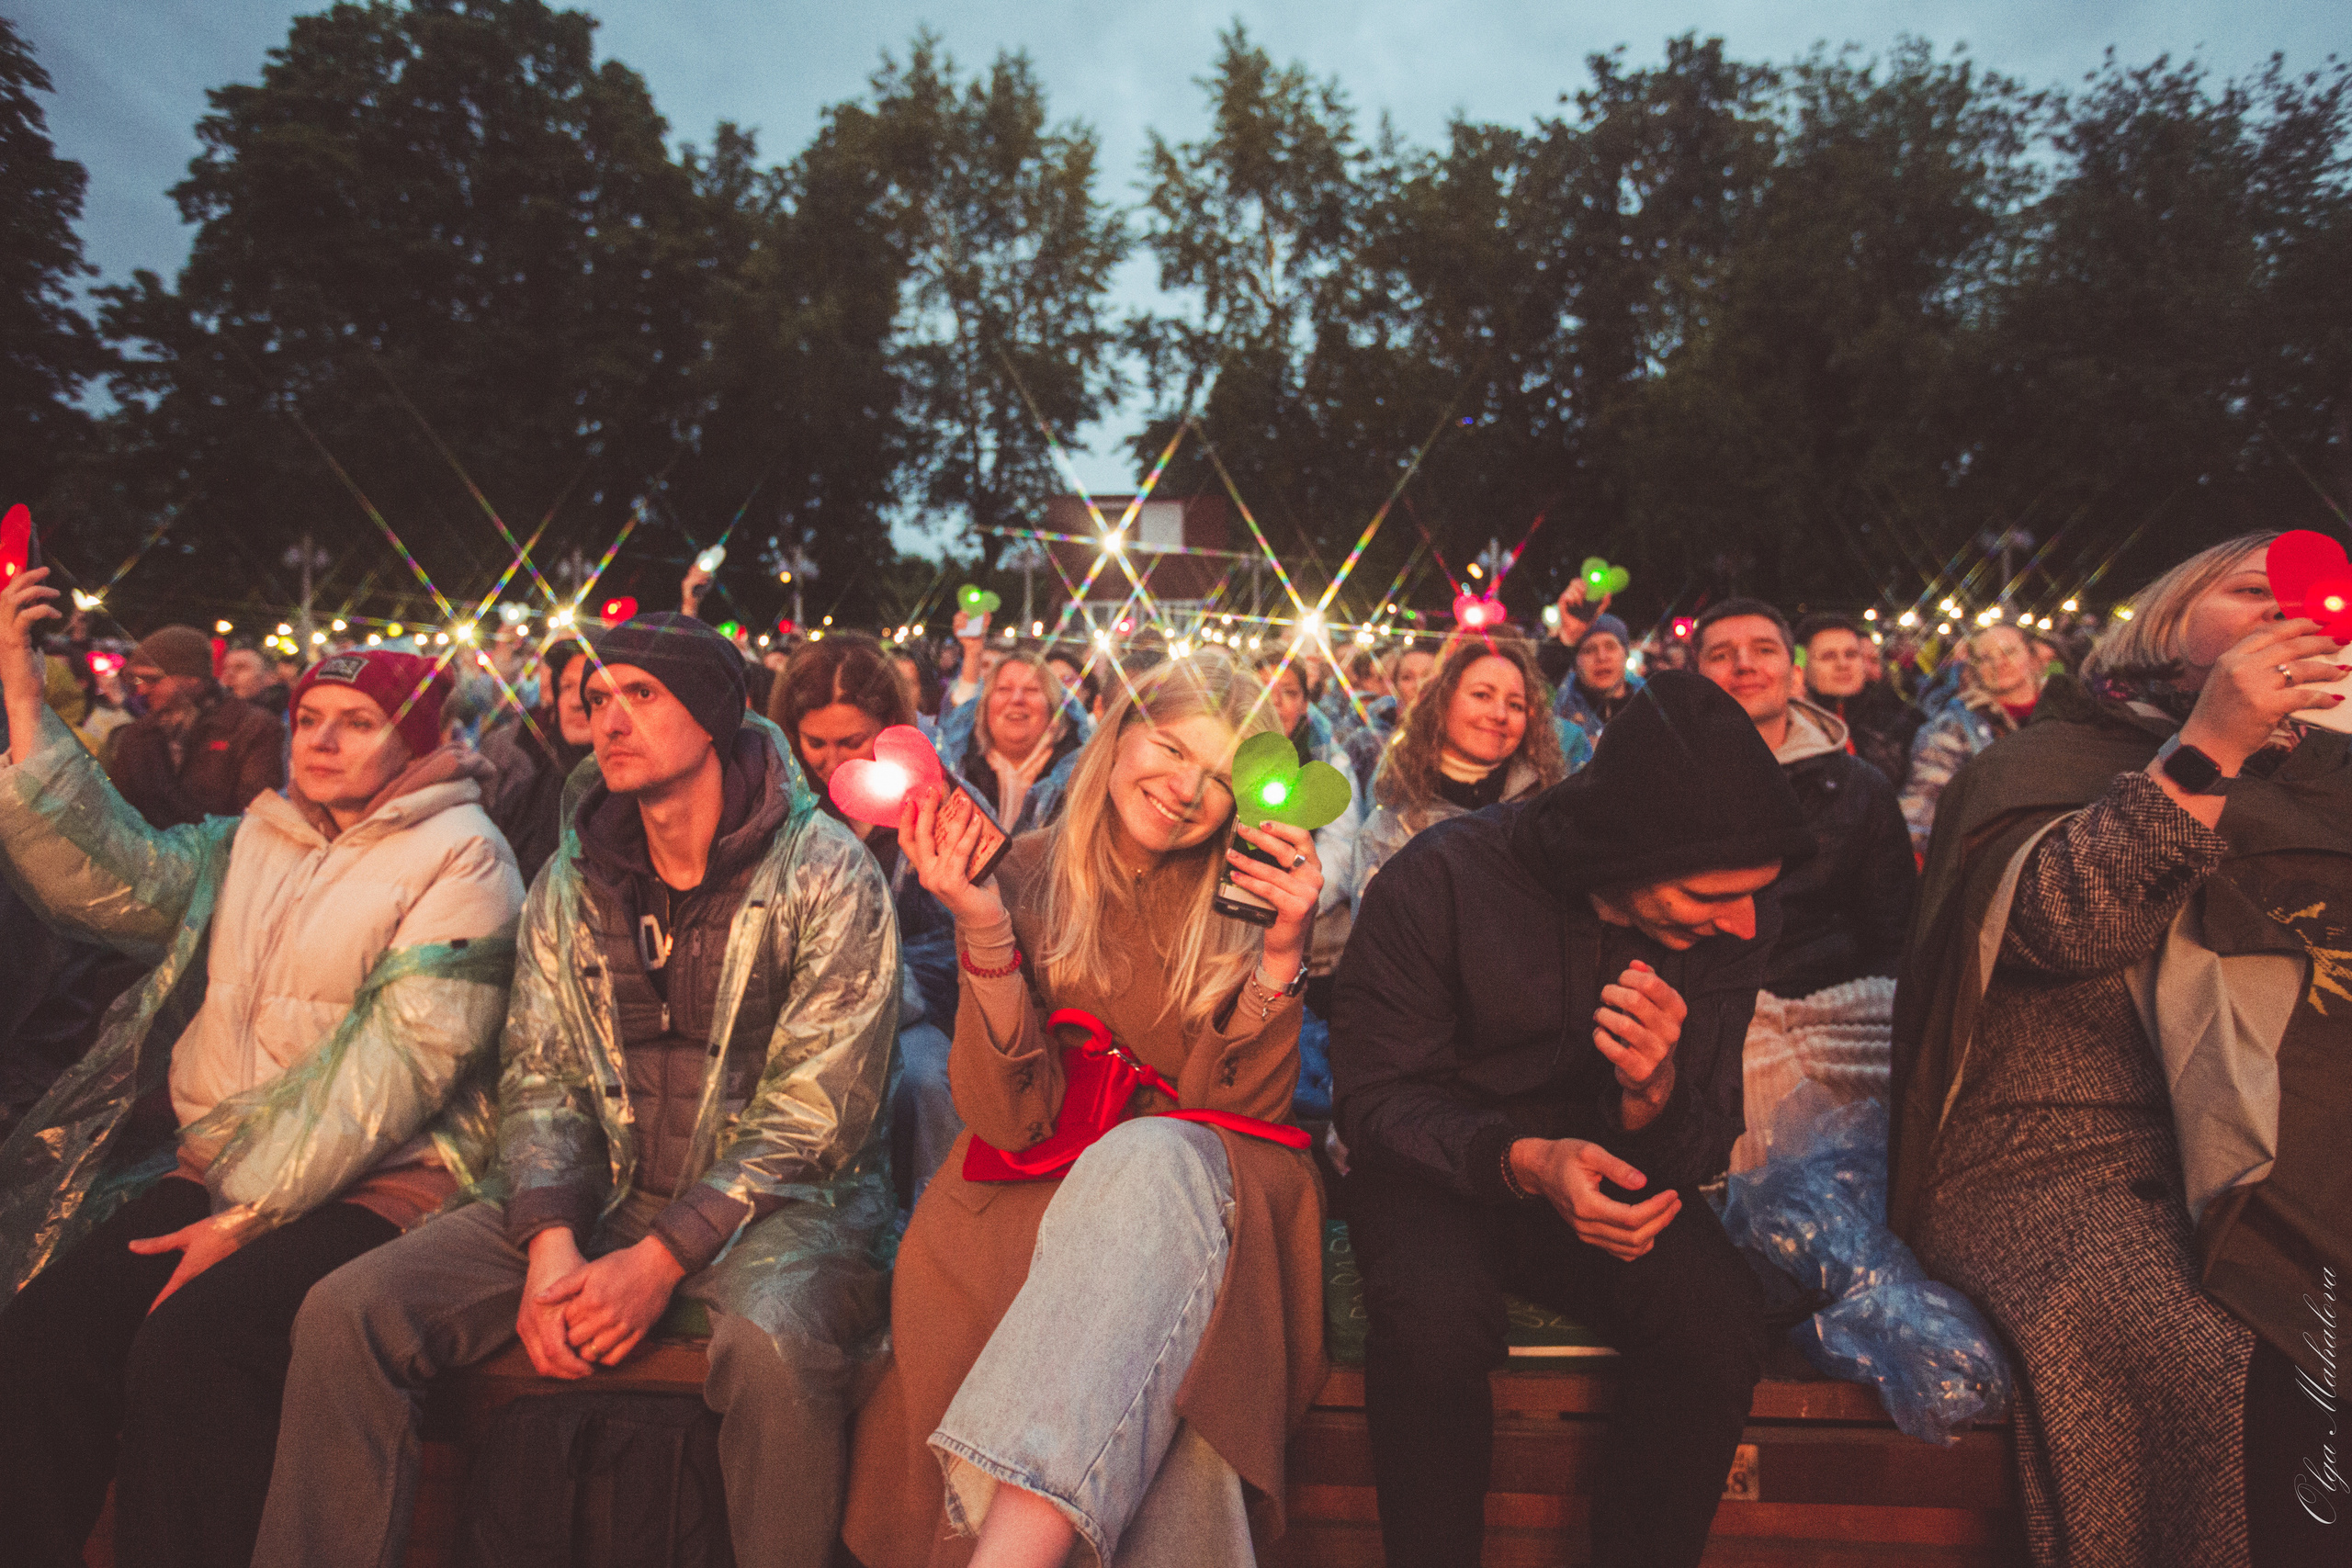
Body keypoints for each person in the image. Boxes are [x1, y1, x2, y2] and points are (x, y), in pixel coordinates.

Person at [254, 613, 899, 1568]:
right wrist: (550, 1238)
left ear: (714, 717)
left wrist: (662, 1258)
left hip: (784, 1211)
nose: (611, 719)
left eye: (642, 695)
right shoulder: (572, 877)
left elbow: (819, 1112)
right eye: (598, 698)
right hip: (609, 1193)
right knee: (348, 1311)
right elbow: (542, 1073)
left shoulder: (826, 870)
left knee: (773, 1350)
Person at [0, 558, 526, 1568]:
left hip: (382, 1188)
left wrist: (245, 1220)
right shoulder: (262, 836)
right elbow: (115, 879)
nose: (321, 741)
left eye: (356, 723)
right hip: (221, 1168)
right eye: (310, 718)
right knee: (46, 1334)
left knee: (195, 1351)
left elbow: (402, 1067)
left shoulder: (462, 855)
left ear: (414, 738)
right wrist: (25, 701)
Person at [1892, 533, 2347, 1567]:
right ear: (2165, 619)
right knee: (2237, 1357)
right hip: (2065, 1157)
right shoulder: (2040, 762)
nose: (2287, 615)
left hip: (2297, 1144)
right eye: (2254, 591)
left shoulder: (2331, 782)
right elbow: (2071, 926)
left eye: (2313, 602)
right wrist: (2208, 747)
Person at [842, 649, 1328, 1568]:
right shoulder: (1018, 870)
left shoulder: (1246, 898)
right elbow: (1004, 1117)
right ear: (1119, 734)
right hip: (1023, 1201)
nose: (1187, 789)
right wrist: (983, 925)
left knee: (1152, 1162)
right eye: (1171, 749)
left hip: (1205, 1209)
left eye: (1220, 776)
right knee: (1175, 1396)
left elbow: (1239, 1116)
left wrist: (1281, 956)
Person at [1333, 670, 1815, 1568]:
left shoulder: (1731, 923)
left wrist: (1653, 1093)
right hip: (1436, 1169)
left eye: (1754, 893)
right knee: (1435, 1331)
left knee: (1715, 1317)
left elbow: (1705, 1133)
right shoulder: (1438, 878)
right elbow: (1374, 1100)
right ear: (1623, 856)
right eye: (1710, 896)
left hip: (1601, 1166)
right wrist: (1522, 1160)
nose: (1743, 922)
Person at [770, 630, 964, 1207]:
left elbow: (959, 933)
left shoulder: (937, 794)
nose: (833, 761)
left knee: (926, 1082)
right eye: (815, 742)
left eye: (851, 742)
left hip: (913, 1010)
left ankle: (939, 1221)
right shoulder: (777, 807)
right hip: (802, 1018)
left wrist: (888, 985)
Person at [1694, 599, 1916, 998]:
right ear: (1695, 678)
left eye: (1764, 650)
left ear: (1794, 674)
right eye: (1721, 655)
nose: (1744, 665)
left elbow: (1895, 936)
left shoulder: (1861, 788)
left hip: (1838, 1009)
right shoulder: (1660, 783)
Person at [1355, 636, 1575, 897]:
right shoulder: (1388, 829)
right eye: (1482, 695)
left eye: (1516, 705)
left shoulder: (1551, 815)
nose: (1500, 714)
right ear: (1443, 701)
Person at [104, 624, 286, 828]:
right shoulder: (139, 733)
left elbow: (256, 817)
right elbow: (118, 812)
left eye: (153, 680)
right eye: (137, 679)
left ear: (192, 678)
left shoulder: (252, 728)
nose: (142, 690)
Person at [1896, 622, 2048, 856]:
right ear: (1975, 669)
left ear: (2033, 657)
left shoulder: (2069, 714)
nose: (1998, 663)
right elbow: (1923, 807)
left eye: (2008, 651)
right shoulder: (1955, 726)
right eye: (1985, 658)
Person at [935, 641, 1086, 837]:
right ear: (985, 708)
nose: (1017, 699)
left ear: (1053, 708)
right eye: (1004, 689)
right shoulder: (956, 772)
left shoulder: (1080, 781)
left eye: (1031, 689)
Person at [478, 637, 593, 884]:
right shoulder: (528, 796)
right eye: (566, 687)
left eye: (590, 687)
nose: (576, 702)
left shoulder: (637, 801)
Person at [1795, 612, 1922, 792]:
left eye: (1851, 654)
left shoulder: (1897, 727)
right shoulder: (1791, 729)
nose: (1843, 664)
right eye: (1828, 656)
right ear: (1802, 668)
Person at [1553, 612, 1643, 751]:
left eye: (1610, 646)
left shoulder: (1649, 705)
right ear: (1575, 663)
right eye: (1589, 650)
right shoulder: (1559, 710)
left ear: (1625, 653)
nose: (1601, 657)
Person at [220, 643, 289, 720]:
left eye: (240, 667)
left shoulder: (287, 719)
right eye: (225, 668)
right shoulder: (217, 714)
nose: (229, 674)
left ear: (269, 677)